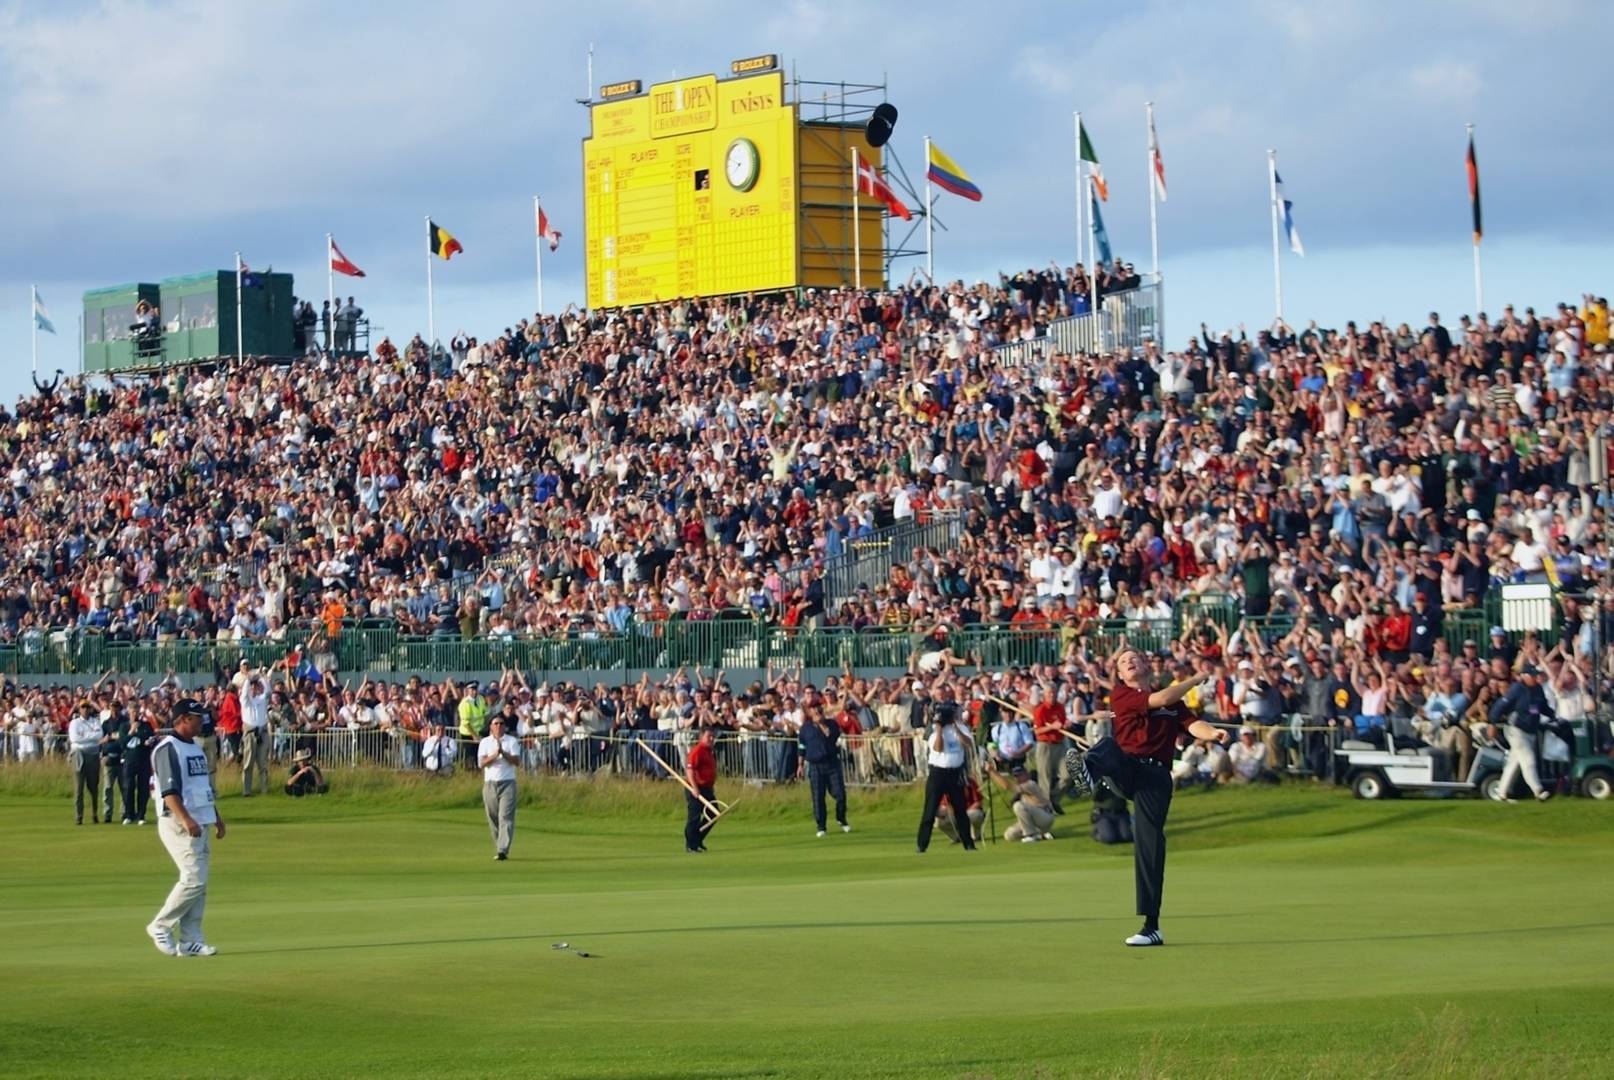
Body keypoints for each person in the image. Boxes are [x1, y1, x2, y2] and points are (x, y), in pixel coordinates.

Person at [1087, 648, 1227, 946]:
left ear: (1146, 666)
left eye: (1133, 658)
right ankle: (1088, 771)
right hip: (1126, 768)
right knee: (1107, 745)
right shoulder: (1122, 694)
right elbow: (1162, 699)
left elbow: (1191, 724)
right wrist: (1197, 678)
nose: (1129, 662)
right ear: (1122, 675)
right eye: (1124, 662)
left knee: (1149, 842)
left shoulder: (1172, 701)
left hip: (1156, 776)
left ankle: (1151, 926)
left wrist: (1212, 733)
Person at [146, 700, 225, 957]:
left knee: (199, 882)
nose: (202, 720)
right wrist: (186, 819)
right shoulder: (168, 749)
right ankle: (160, 925)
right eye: (196, 717)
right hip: (178, 823)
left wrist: (216, 817)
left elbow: (201, 788)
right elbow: (169, 792)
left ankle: (190, 939)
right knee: (194, 879)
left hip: (199, 822)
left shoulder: (196, 748)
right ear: (181, 719)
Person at [915, 704, 977, 853]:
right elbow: (938, 748)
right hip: (938, 774)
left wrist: (956, 728)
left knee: (960, 810)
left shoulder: (961, 728)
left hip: (955, 773)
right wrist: (939, 730)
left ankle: (968, 844)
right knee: (930, 811)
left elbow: (968, 744)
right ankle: (922, 845)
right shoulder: (933, 732)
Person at [1487, 664, 1554, 802]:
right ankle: (1538, 790)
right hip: (1515, 730)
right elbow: (1501, 705)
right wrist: (1492, 723)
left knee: (1514, 763)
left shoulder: (1538, 689)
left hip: (1531, 731)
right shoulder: (1517, 689)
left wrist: (1554, 716)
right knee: (1528, 760)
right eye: (1533, 675)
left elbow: (1543, 707)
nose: (1536, 677)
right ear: (1524, 676)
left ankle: (1501, 792)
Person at [799, 704, 851, 837]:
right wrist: (800, 765)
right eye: (814, 711)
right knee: (818, 797)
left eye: (819, 710)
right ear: (809, 713)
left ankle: (841, 819)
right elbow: (802, 747)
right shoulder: (805, 728)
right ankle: (821, 826)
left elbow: (830, 736)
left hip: (832, 763)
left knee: (839, 794)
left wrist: (821, 724)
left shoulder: (832, 724)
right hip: (815, 765)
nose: (817, 712)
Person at [478, 715, 521, 860]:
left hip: (507, 782)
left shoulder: (511, 741)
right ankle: (500, 846)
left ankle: (503, 849)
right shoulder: (485, 742)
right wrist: (495, 755)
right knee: (493, 816)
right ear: (491, 726)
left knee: (505, 817)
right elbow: (482, 763)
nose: (499, 726)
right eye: (496, 723)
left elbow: (516, 761)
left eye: (501, 724)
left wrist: (504, 753)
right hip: (490, 783)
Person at [985, 759, 1055, 843]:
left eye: (1020, 775)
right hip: (1035, 818)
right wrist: (992, 773)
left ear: (1026, 774)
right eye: (1015, 776)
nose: (1017, 778)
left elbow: (1007, 786)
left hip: (1044, 816)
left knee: (1018, 806)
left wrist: (992, 772)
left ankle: (1031, 835)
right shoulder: (1022, 789)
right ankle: (1041, 834)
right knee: (1009, 835)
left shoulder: (1030, 784)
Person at [120, 707, 158, 825]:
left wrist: (141, 741)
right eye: (132, 712)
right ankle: (129, 814)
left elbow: (150, 740)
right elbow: (123, 743)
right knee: (128, 787)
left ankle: (141, 815)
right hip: (129, 760)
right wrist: (131, 731)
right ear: (129, 713)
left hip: (143, 760)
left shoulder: (146, 726)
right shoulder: (124, 726)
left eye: (136, 712)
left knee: (143, 788)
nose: (135, 715)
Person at [684, 725, 718, 853]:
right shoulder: (697, 751)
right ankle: (690, 844)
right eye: (708, 736)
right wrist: (694, 788)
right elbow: (690, 770)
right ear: (701, 737)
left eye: (712, 737)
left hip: (707, 788)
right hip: (696, 788)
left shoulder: (709, 751)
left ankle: (697, 839)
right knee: (694, 816)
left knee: (713, 814)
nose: (711, 739)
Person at [68, 702, 102, 825]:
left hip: (93, 755)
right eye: (83, 707)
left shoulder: (95, 721)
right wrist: (91, 736)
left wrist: (85, 736)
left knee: (93, 787)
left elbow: (99, 735)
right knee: (79, 788)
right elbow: (74, 738)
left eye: (87, 707)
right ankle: (79, 816)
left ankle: (94, 814)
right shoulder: (75, 723)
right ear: (79, 709)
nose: (85, 709)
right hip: (78, 754)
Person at [239, 674, 270, 797]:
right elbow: (244, 693)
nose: (253, 689)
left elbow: (268, 691)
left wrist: (261, 677)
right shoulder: (245, 701)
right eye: (251, 687)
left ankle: (264, 789)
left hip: (262, 732)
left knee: (262, 763)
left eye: (255, 687)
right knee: (248, 763)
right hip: (250, 733)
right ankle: (246, 790)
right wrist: (248, 680)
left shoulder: (262, 699)